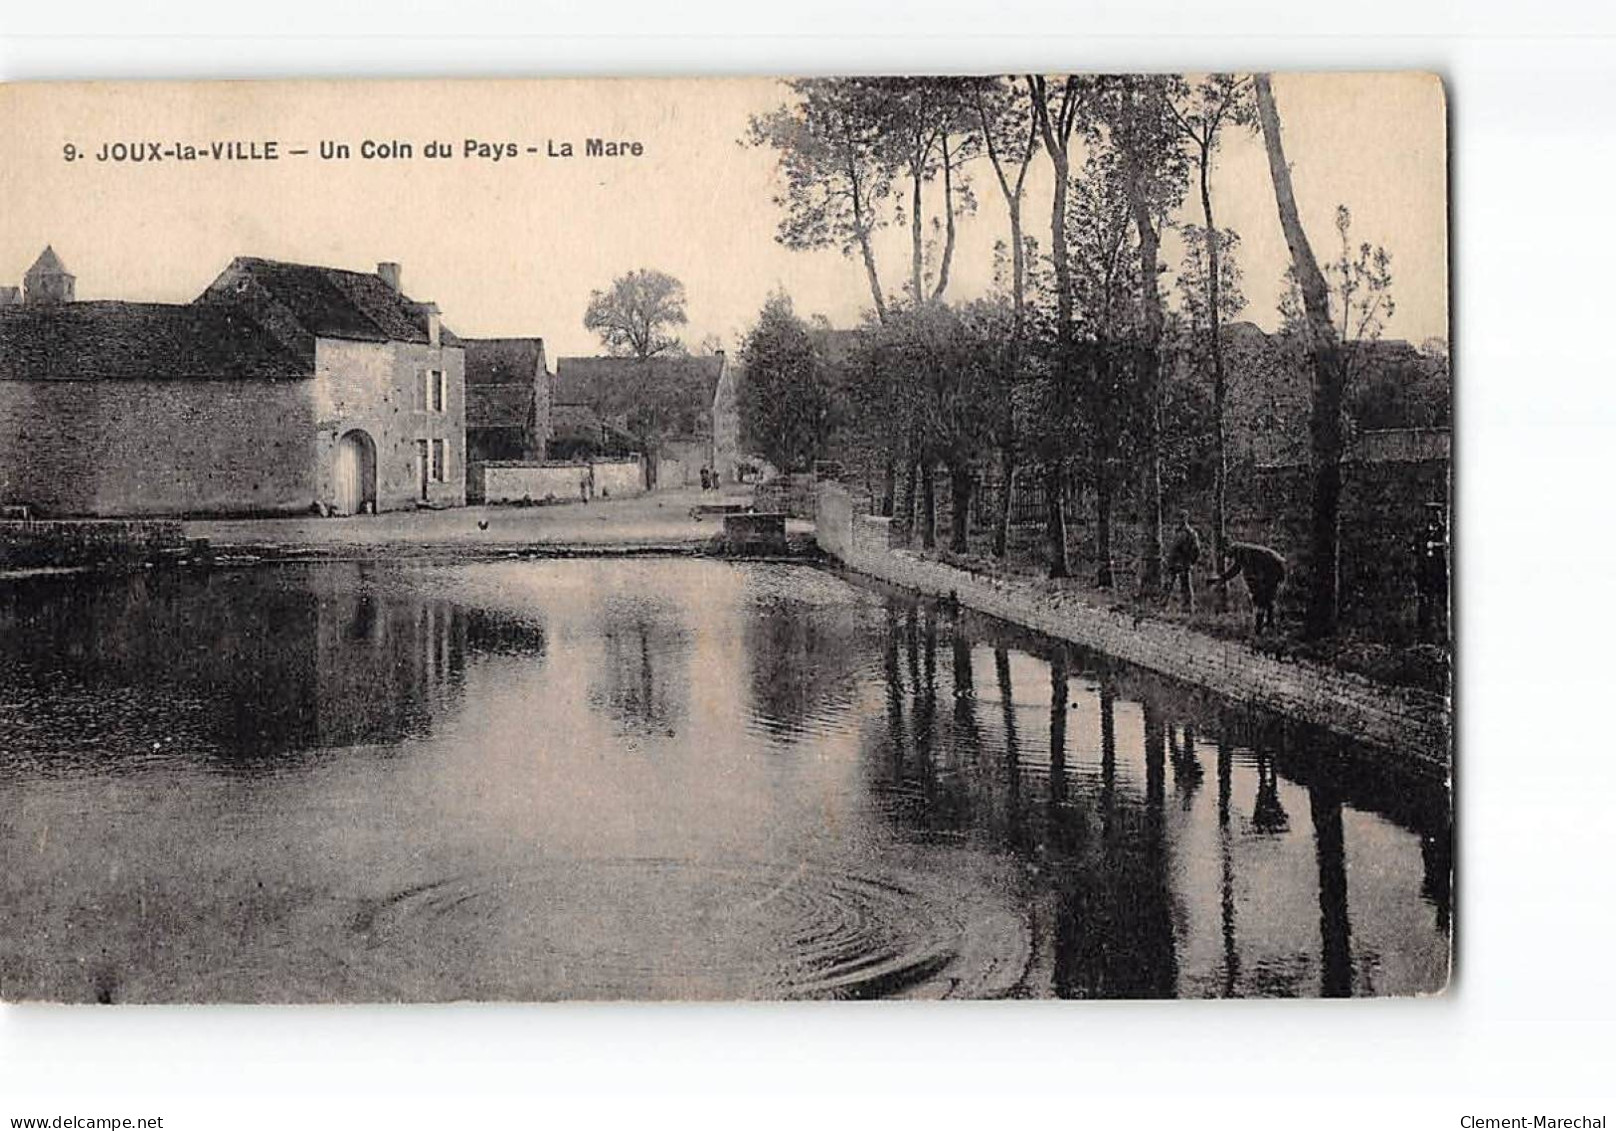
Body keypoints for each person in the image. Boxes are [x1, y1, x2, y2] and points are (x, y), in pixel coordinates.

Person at [1210, 541, 1287, 634]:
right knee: (1266, 599)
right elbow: (1235, 570)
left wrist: (1255, 591)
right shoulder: (1242, 553)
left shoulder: (1247, 555)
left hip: (1275, 567)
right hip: (1275, 566)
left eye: (1228, 554)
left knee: (1261, 598)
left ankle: (1260, 628)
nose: (1229, 558)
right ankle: (1269, 626)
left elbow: (1253, 576)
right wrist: (1221, 578)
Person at [1166, 510, 1203, 611]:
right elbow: (1172, 548)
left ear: (1186, 518)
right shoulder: (1176, 532)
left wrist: (1191, 562)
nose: (1180, 520)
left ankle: (1188, 609)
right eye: (1178, 517)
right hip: (1173, 562)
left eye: (1182, 517)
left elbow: (1197, 550)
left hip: (1183, 563)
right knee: (1168, 585)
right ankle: (1163, 606)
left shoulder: (1191, 533)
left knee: (1186, 587)